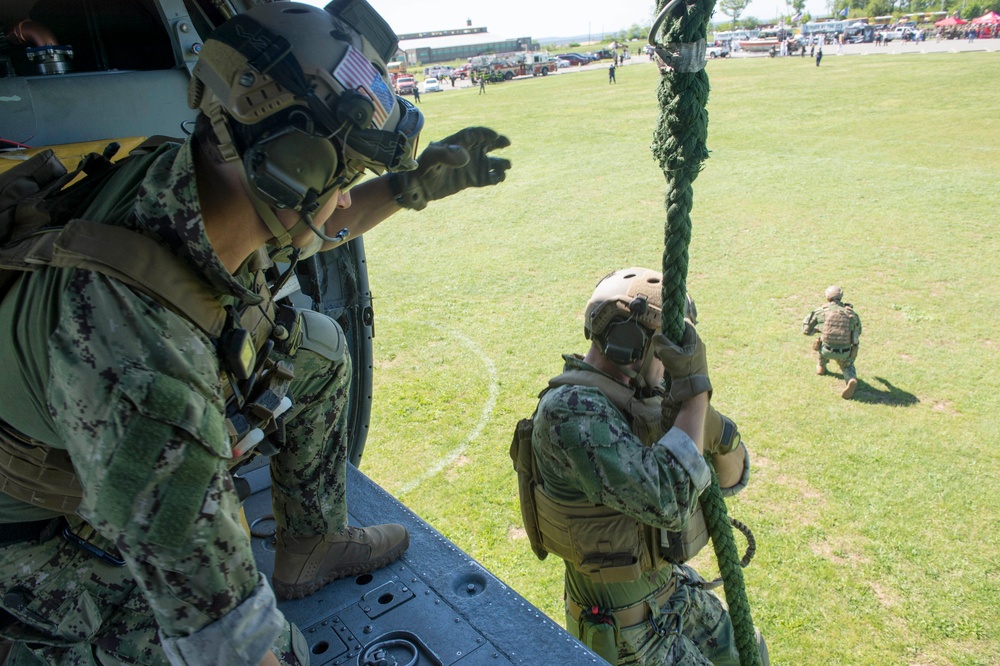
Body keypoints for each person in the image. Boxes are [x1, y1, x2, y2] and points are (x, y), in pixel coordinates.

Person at [0, 2, 511, 664]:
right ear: (291, 168)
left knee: (318, 350)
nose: (348, 198)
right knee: (220, 642)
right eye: (345, 177)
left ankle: (311, 544)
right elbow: (233, 647)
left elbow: (318, 228)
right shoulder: (146, 377)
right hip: (34, 536)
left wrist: (412, 186)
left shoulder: (189, 174)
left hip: (81, 426)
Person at [512, 268, 765, 665]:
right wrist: (695, 394)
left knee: (753, 654)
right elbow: (670, 502)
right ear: (630, 344)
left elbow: (734, 477)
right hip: (628, 634)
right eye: (667, 349)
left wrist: (718, 429)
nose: (670, 364)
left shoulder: (642, 400)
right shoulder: (573, 412)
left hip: (671, 594)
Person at [802, 285, 862, 399]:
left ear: (827, 298)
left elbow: (805, 330)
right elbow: (858, 332)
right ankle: (851, 379)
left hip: (826, 350)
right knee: (847, 365)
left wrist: (817, 330)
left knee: (820, 343)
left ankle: (821, 367)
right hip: (845, 352)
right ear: (841, 297)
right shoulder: (851, 313)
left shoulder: (821, 311)